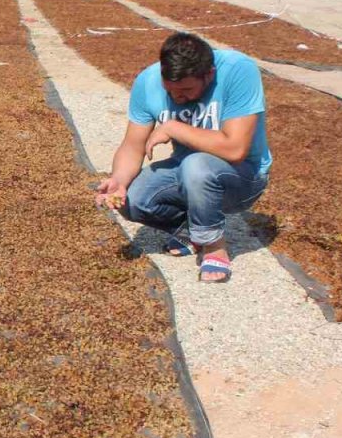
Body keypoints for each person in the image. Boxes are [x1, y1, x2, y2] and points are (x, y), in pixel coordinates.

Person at [95, 33, 272, 283]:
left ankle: (213, 246)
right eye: (171, 91)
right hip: (186, 171)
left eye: (186, 90)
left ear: (208, 74)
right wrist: (119, 180)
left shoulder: (237, 70)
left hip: (242, 175)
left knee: (196, 165)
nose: (178, 97)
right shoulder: (147, 82)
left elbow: (235, 149)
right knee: (132, 199)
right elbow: (132, 145)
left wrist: (173, 128)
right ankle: (193, 231)